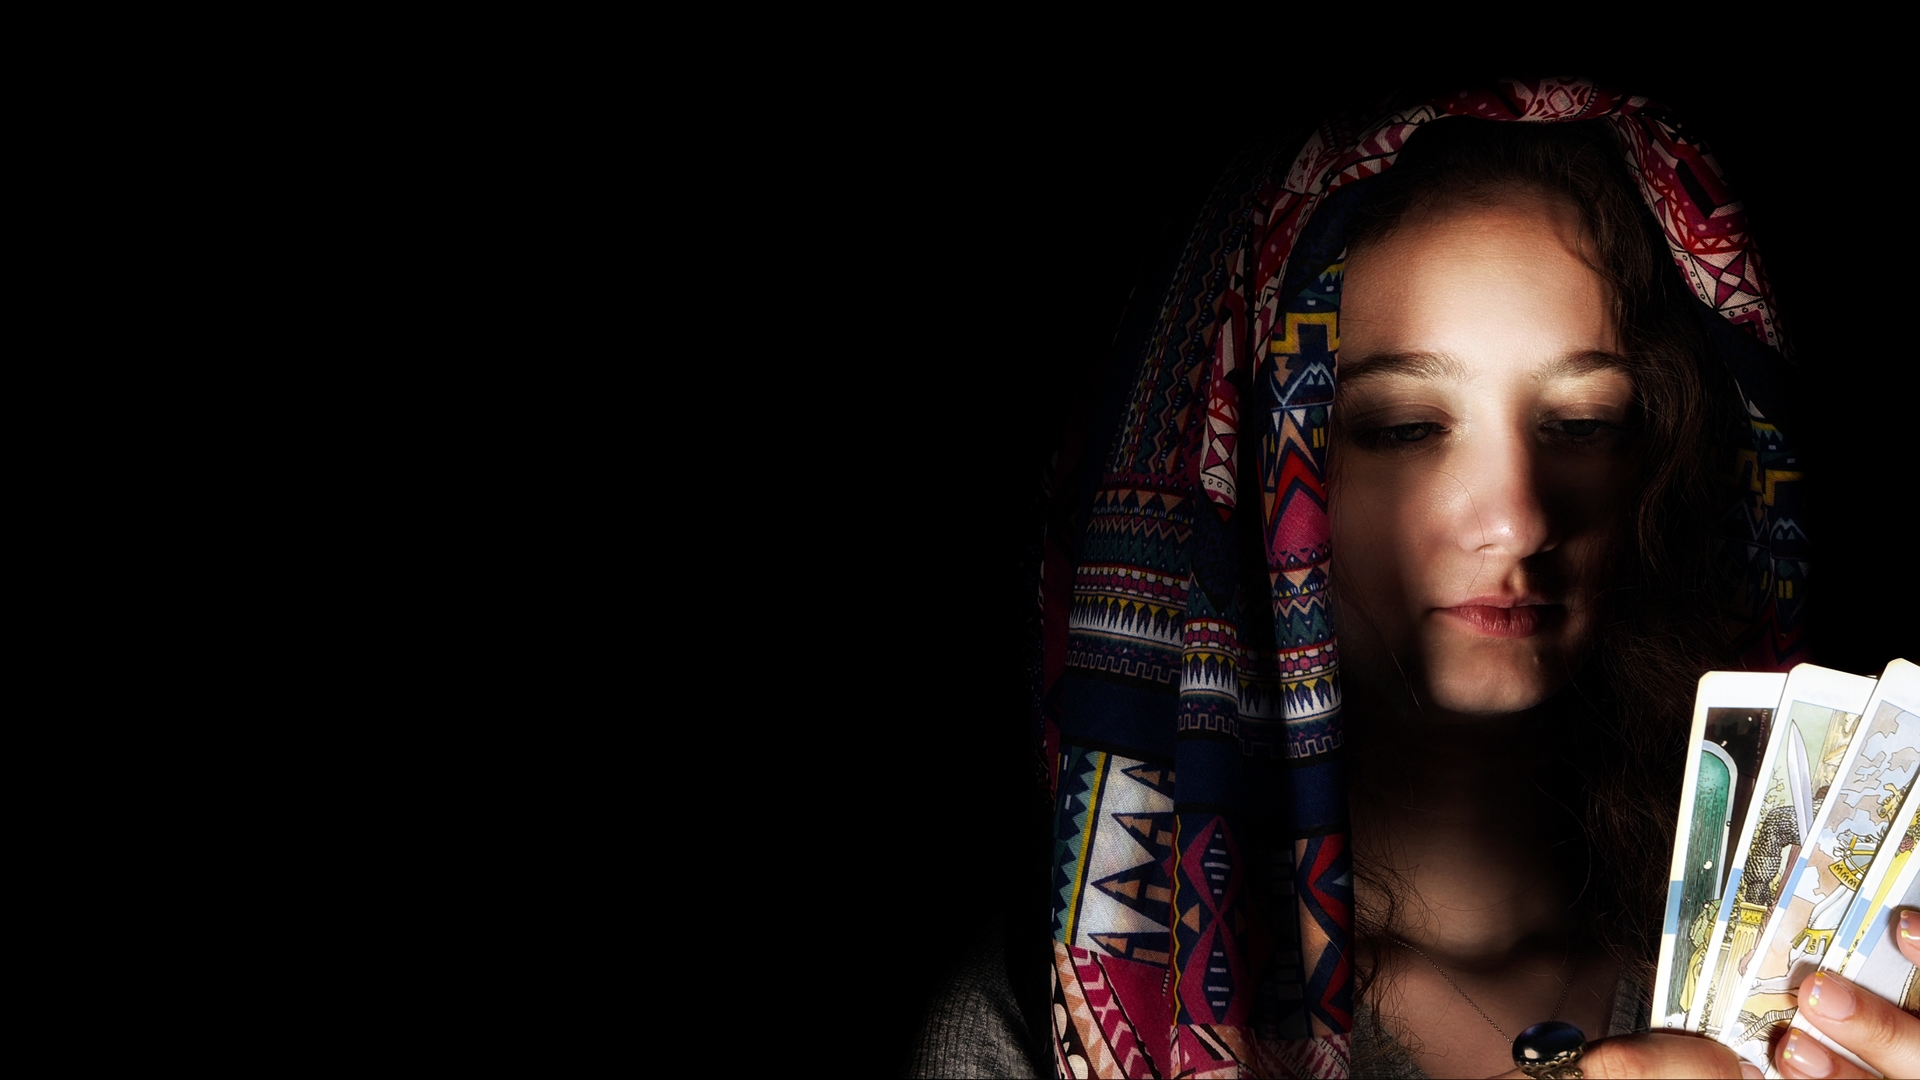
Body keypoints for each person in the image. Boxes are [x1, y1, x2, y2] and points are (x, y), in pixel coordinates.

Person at [906, 79, 1918, 1079]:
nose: (1518, 516)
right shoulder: (1040, 1024)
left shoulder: (1852, 990)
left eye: (1582, 425)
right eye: (1404, 428)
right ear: (1248, 468)